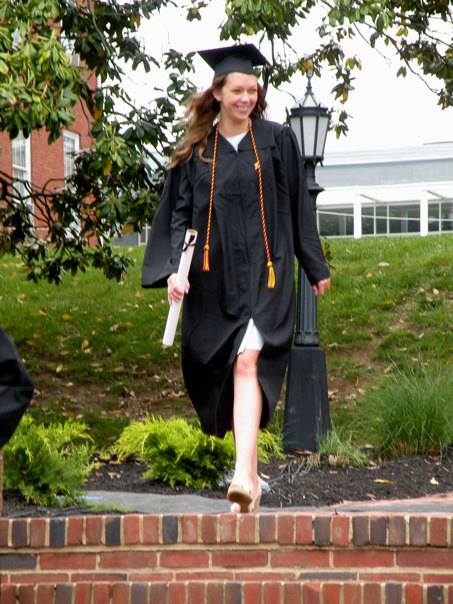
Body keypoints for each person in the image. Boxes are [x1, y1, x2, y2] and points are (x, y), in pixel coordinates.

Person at [142, 43, 331, 513]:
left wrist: (313, 264)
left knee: (249, 359)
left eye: (253, 89)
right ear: (219, 94)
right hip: (213, 281)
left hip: (267, 276)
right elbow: (179, 220)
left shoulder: (275, 140)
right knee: (228, 367)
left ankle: (244, 474)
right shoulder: (196, 154)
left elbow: (297, 205)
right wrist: (173, 274)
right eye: (238, 90)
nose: (247, 97)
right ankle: (250, 479)